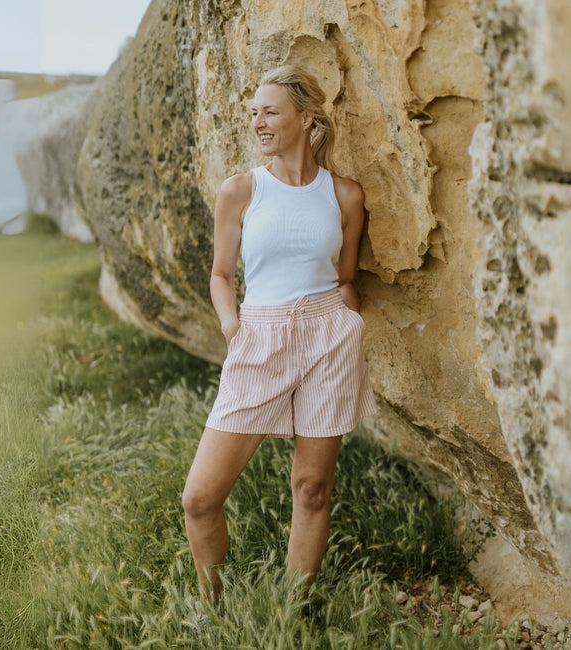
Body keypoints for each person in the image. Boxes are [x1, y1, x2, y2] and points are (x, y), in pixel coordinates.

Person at [181, 64, 377, 602]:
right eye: (252, 113)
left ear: (305, 118)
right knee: (199, 498)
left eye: (269, 111)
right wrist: (232, 327)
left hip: (328, 337)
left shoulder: (346, 195)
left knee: (312, 489)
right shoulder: (241, 190)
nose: (257, 123)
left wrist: (352, 331)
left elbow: (345, 280)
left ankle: (292, 614)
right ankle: (218, 611)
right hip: (259, 338)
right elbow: (222, 276)